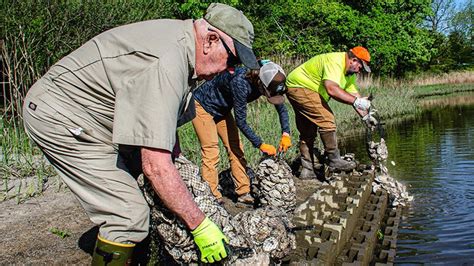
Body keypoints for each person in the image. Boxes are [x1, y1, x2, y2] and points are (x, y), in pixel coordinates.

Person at [21, 3, 259, 264]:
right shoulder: (167, 62)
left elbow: (162, 131)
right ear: (211, 40)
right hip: (61, 115)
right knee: (128, 215)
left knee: (159, 187)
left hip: (98, 117)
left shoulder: (185, 50)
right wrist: (199, 225)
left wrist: (178, 167)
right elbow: (155, 166)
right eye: (233, 59)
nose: (230, 69)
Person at [192, 61, 291, 204]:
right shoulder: (241, 83)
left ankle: (243, 193)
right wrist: (261, 144)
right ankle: (212, 198)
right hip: (202, 105)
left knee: (236, 148)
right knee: (211, 151)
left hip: (222, 109)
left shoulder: (272, 80)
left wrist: (286, 134)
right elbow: (241, 122)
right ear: (261, 84)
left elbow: (281, 108)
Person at [285, 46, 375, 179]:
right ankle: (334, 159)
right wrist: (356, 101)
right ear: (354, 60)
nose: (359, 71)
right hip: (301, 86)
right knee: (327, 120)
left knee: (308, 131)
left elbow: (355, 97)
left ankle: (307, 170)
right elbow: (331, 89)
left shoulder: (348, 75)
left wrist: (367, 117)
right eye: (360, 67)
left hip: (298, 87)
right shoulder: (335, 61)